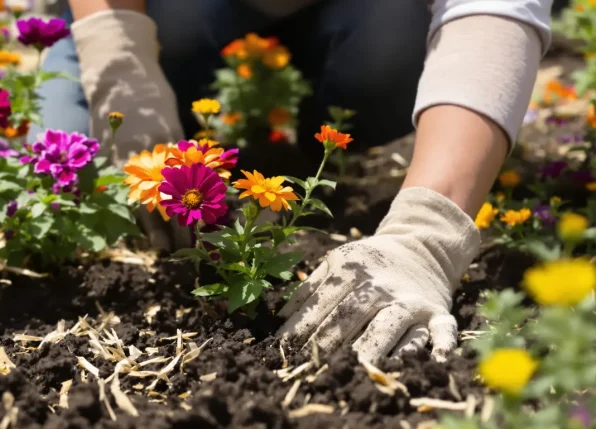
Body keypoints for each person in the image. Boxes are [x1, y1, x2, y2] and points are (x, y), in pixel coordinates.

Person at [33, 0, 553, 363]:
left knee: (388, 55)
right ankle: (177, 102)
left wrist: (427, 235)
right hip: (168, 9)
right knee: (60, 166)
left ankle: (319, 121)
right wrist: (122, 68)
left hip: (373, 15)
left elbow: (497, 8)